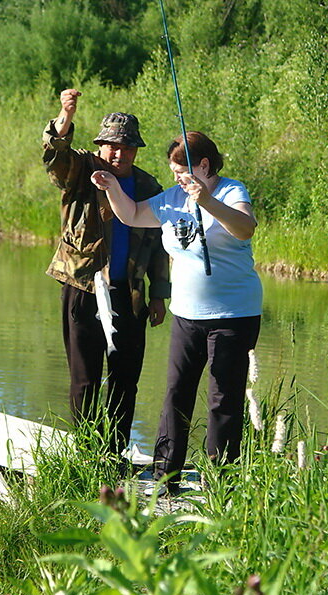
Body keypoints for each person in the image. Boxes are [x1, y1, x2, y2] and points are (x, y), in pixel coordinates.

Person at [91, 131, 262, 494]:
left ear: (203, 166)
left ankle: (221, 481)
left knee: (223, 397)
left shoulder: (232, 191)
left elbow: (245, 229)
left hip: (234, 314)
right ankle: (165, 476)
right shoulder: (171, 198)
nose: (177, 178)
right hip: (186, 314)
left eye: (182, 171)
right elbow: (133, 215)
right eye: (172, 171)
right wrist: (110, 187)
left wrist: (207, 201)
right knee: (176, 392)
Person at [42, 88, 170, 469]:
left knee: (125, 380)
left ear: (135, 151)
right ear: (100, 145)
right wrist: (64, 116)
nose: (118, 154)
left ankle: (113, 456)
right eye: (112, 146)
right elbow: (54, 156)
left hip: (128, 296)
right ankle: (85, 457)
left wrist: (159, 295)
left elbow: (160, 245)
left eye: (126, 148)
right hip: (82, 289)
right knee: (84, 379)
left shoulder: (149, 188)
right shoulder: (82, 170)